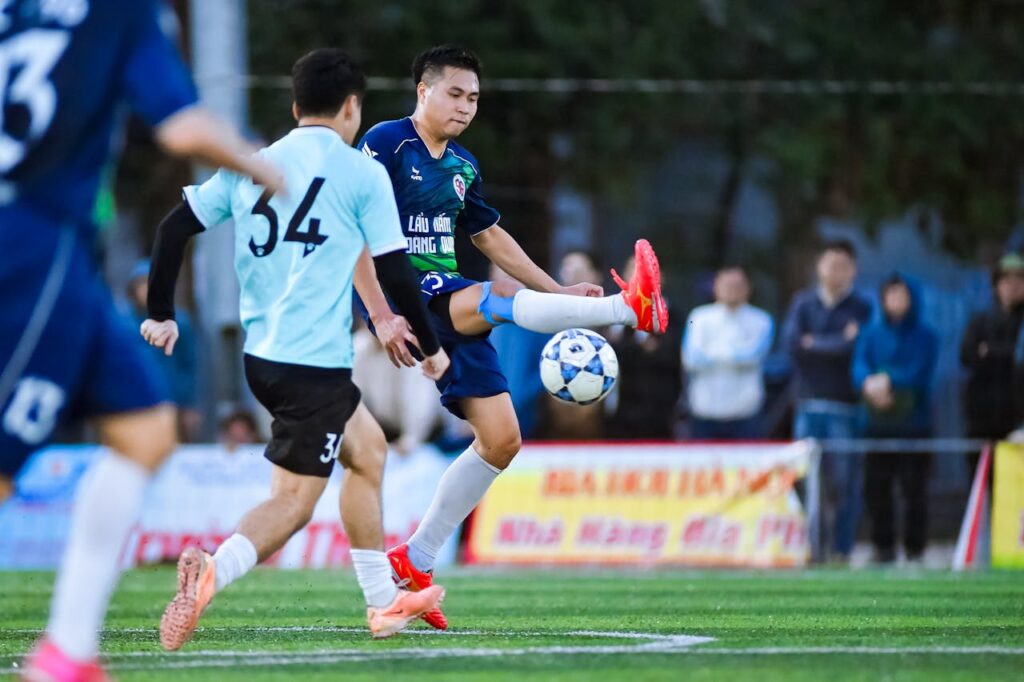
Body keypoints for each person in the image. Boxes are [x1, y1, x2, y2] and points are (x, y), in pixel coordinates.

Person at [0, 2, 284, 679]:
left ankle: (67, 652)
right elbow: (181, 127)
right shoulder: (121, 10)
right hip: (31, 247)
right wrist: (265, 166)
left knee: (146, 430)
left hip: (64, 259)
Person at [141, 49, 449, 647]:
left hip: (266, 360)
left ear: (294, 105)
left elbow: (171, 228)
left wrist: (160, 313)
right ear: (353, 106)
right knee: (293, 504)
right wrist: (432, 350)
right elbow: (397, 271)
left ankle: (384, 602)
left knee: (369, 451)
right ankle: (212, 570)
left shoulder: (254, 163)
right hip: (313, 366)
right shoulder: (362, 172)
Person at [353, 44, 668, 629]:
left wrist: (558, 291)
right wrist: (377, 314)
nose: (466, 106)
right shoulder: (385, 143)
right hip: (407, 292)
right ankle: (630, 311)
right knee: (490, 302)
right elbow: (354, 231)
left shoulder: (463, 165)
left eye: (474, 97)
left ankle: (415, 560)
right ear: (422, 90)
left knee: (501, 440)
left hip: (445, 291)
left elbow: (491, 238)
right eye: (455, 93)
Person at [782, 239, 873, 563]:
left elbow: (853, 348)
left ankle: (841, 550)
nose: (836, 271)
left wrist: (814, 343)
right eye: (830, 263)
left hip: (844, 408)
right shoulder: (802, 304)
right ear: (819, 267)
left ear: (853, 270)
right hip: (807, 406)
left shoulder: (862, 308)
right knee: (805, 483)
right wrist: (834, 342)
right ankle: (810, 549)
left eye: (843, 265)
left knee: (843, 484)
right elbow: (793, 344)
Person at [852, 275, 938, 564]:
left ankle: (915, 549)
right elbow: (859, 366)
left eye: (901, 295)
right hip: (876, 424)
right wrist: (868, 383)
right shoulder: (871, 333)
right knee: (876, 488)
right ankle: (883, 547)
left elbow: (919, 373)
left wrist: (887, 380)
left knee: (914, 489)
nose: (895, 301)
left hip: (915, 424)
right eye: (890, 295)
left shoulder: (926, 335)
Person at [683, 266, 773, 440]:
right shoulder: (698, 317)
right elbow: (692, 358)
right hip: (704, 411)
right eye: (727, 284)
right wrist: (734, 352)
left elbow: (752, 357)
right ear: (715, 286)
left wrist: (713, 351)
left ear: (748, 288)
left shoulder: (762, 320)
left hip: (745, 413)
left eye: (738, 285)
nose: (732, 290)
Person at [607, 255, 685, 440]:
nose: (638, 277)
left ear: (660, 276)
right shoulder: (612, 313)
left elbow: (671, 354)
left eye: (644, 271)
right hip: (620, 414)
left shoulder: (673, 316)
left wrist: (633, 347)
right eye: (632, 270)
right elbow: (613, 354)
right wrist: (641, 347)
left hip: (662, 413)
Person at [125, 259, 201, 441]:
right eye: (141, 283)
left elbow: (189, 365)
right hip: (134, 402)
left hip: (171, 401)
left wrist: (189, 405)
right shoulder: (124, 323)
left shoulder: (178, 323)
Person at [960, 254, 1024, 468]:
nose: (1012, 287)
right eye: (1006, 280)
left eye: (1019, 280)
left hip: (1017, 421)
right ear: (996, 285)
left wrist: (989, 351)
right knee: (980, 485)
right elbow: (966, 355)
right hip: (982, 420)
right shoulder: (981, 321)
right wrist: (1008, 353)